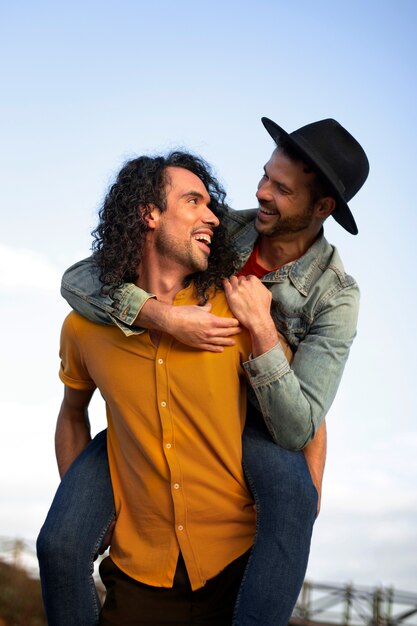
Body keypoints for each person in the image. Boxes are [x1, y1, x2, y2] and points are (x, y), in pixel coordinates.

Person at [37, 117, 369, 625]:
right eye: (265, 176)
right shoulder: (227, 226)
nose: (260, 192)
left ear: (322, 207)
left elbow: (302, 421)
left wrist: (259, 328)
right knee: (59, 543)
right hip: (160, 399)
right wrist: (162, 316)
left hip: (262, 420)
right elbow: (81, 278)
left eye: (281, 189)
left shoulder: (335, 295)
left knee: (295, 499)